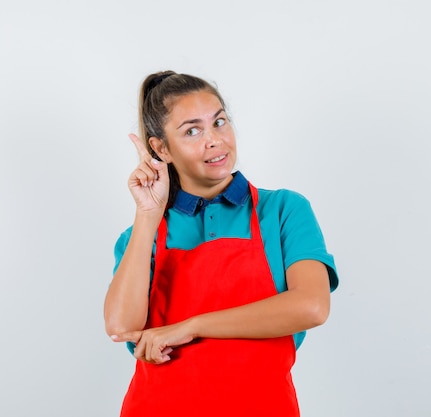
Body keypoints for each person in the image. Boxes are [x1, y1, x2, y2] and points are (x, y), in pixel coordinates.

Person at [104, 70, 339, 416]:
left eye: (219, 122)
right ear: (161, 149)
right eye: (192, 131)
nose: (214, 140)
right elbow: (121, 327)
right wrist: (147, 215)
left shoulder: (282, 210)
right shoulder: (143, 236)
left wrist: (192, 326)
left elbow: (311, 307)